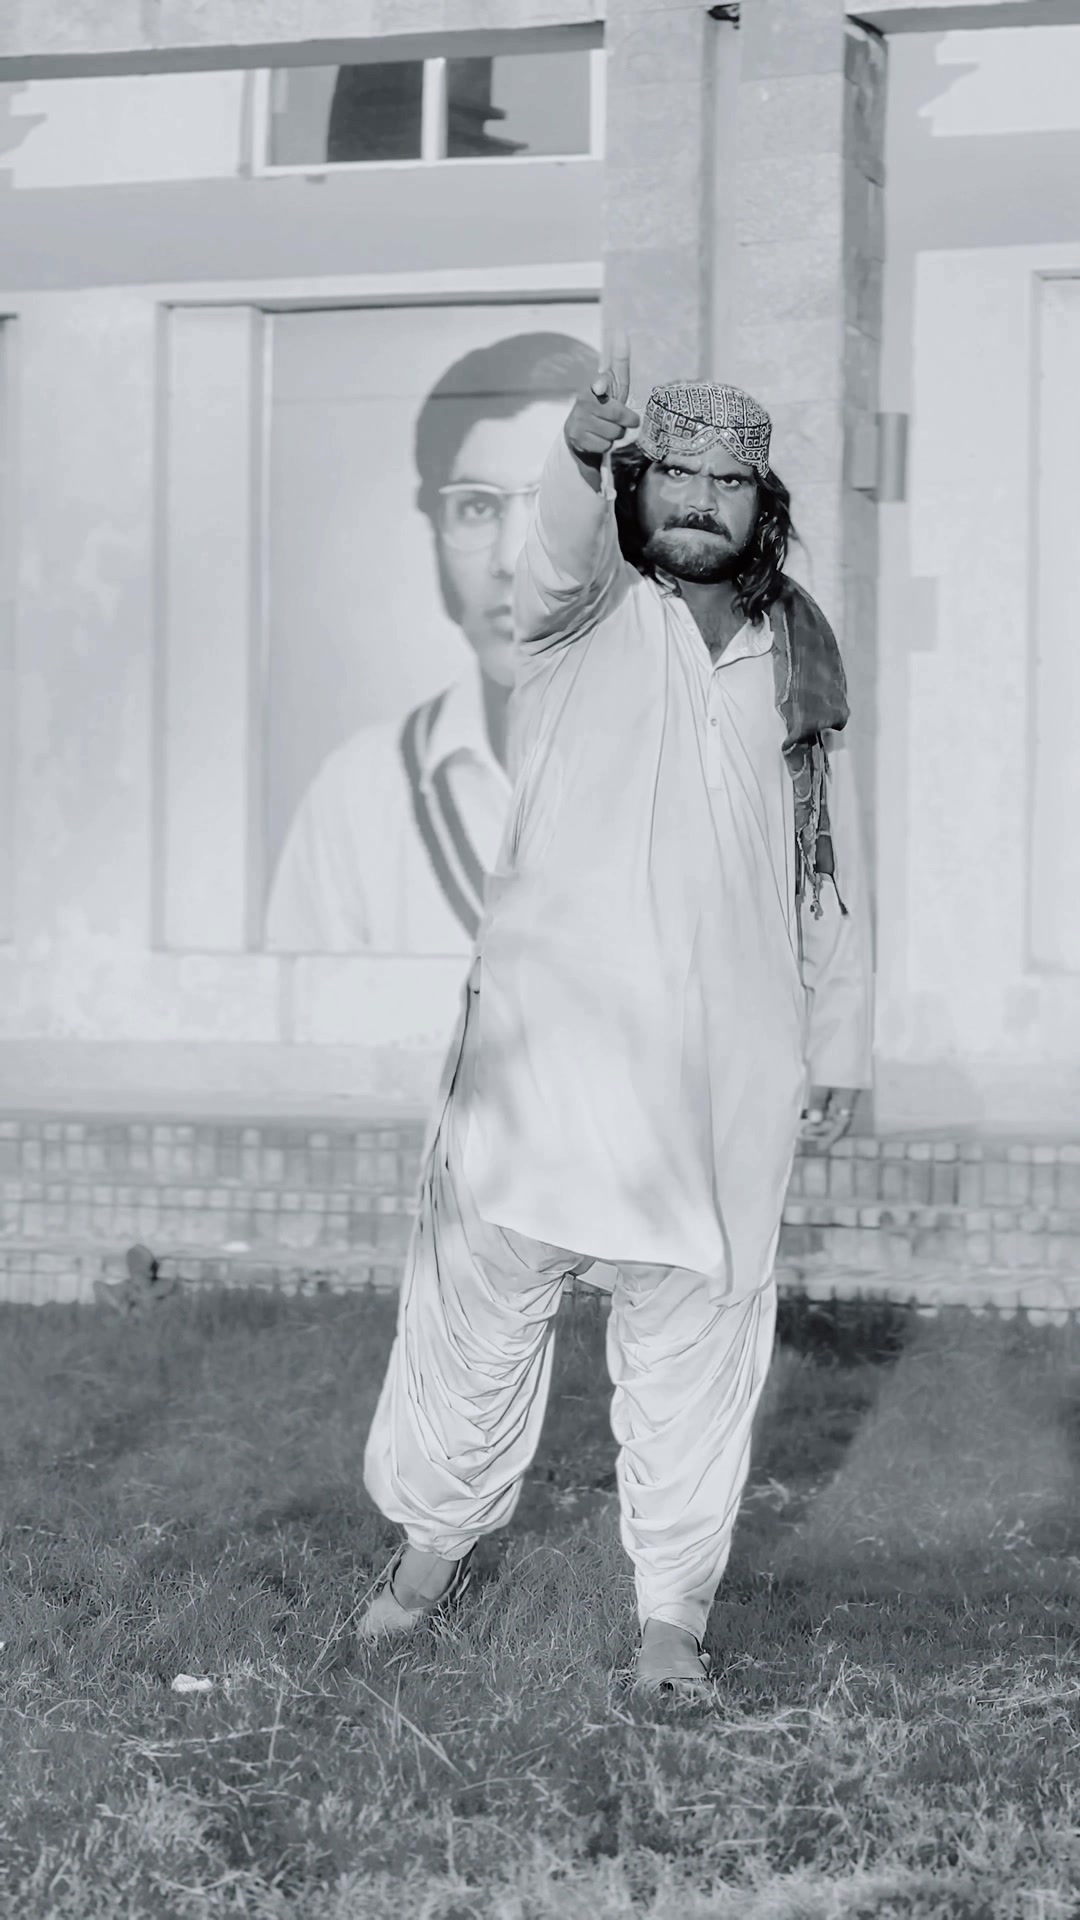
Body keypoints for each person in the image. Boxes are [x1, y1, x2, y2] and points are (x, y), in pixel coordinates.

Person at [357, 340, 874, 1696]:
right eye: (674, 473)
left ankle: (670, 1628)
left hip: (721, 1072)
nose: (699, 499)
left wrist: (839, 1037)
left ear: (763, 503)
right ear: (637, 490)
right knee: (475, 1328)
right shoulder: (581, 611)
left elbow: (828, 863)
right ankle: (424, 1565)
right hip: (546, 1058)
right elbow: (556, 551)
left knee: (700, 1347)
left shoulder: (795, 654)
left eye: (729, 481)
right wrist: (579, 454)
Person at [264, 331, 600, 954]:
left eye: (554, 503)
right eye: (476, 508)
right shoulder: (360, 793)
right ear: (434, 530)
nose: (509, 559)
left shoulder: (703, 770)